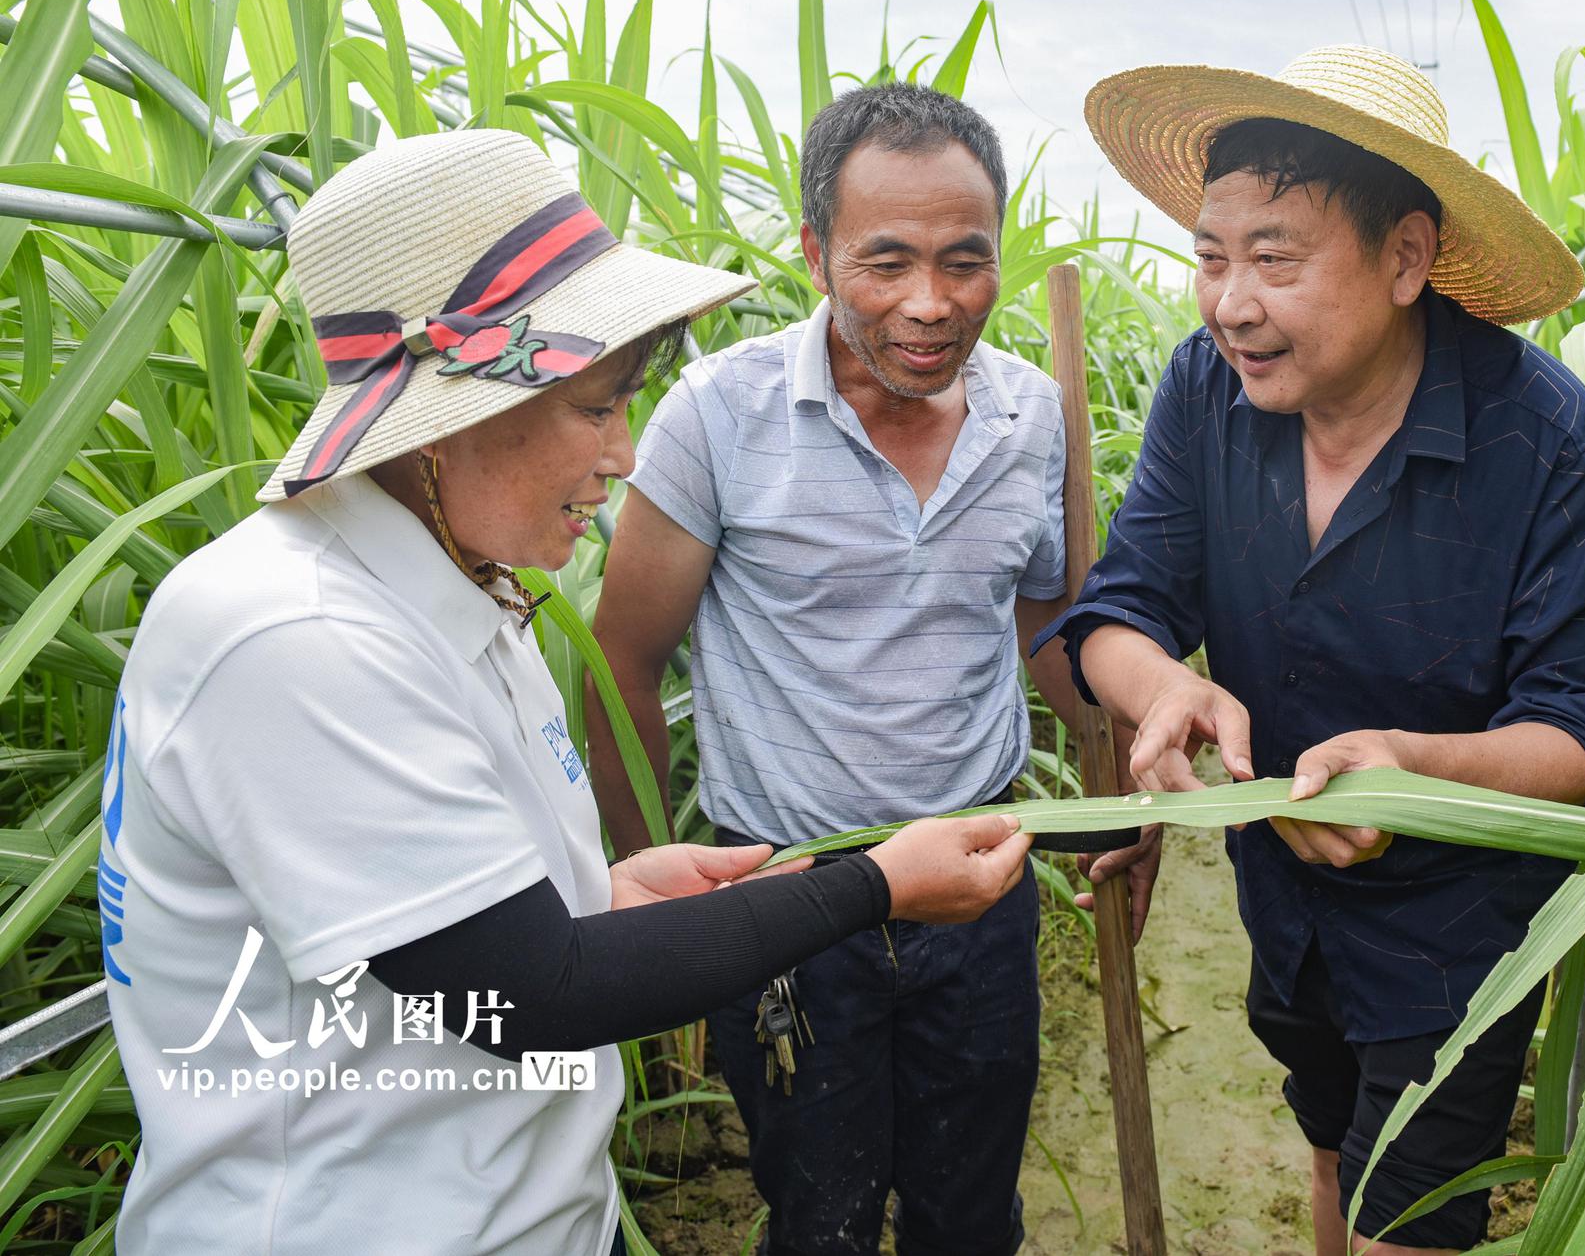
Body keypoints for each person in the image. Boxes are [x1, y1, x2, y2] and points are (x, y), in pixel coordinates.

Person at [97, 129, 1034, 1256]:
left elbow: (467, 915)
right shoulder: (293, 634)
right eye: (596, 408)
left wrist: (608, 888)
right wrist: (873, 884)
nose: (626, 455)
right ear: (450, 414)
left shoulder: (459, 591)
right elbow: (529, 991)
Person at [1041, 47, 1585, 1255]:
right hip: (1286, 895)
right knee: (1326, 1144)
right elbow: (1117, 612)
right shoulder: (1204, 393)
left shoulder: (1544, 446)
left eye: (1273, 258)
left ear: (1406, 259)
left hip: (1456, 929)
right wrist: (1160, 689)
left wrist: (1408, 765)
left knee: (1405, 1220)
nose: (1229, 304)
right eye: (1211, 259)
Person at [588, 84, 1092, 1256]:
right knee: (819, 1216)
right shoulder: (721, 414)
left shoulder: (1031, 418)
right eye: (886, 262)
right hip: (787, 902)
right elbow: (623, 664)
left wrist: (1130, 761)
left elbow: (1051, 631)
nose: (930, 303)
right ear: (815, 252)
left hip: (979, 885)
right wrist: (637, 904)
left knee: (972, 1216)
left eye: (965, 262)